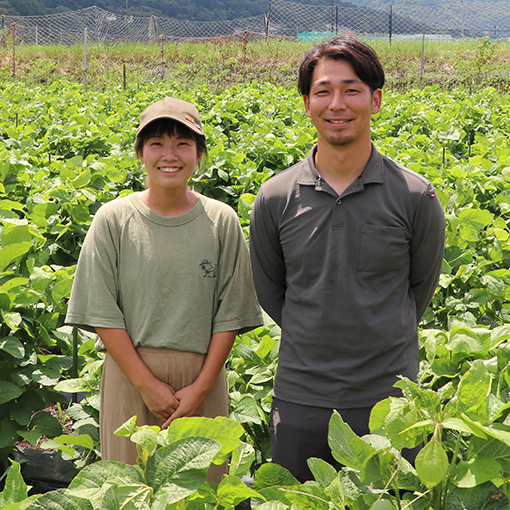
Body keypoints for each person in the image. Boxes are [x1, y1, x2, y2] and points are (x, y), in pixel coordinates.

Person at [249, 37, 445, 482]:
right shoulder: (276, 196)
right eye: (323, 91)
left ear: (375, 100)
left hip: (388, 398)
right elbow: (271, 290)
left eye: (352, 89)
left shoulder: (415, 195)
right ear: (306, 102)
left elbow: (421, 287)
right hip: (301, 395)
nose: (337, 104)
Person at [66, 96, 263, 483]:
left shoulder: (221, 221)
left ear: (199, 154)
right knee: (132, 492)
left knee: (201, 493)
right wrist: (147, 385)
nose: (169, 155)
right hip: (130, 378)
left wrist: (201, 388)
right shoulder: (114, 220)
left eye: (182, 144)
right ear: (140, 152)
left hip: (202, 380)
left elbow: (232, 313)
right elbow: (102, 310)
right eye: (156, 144)